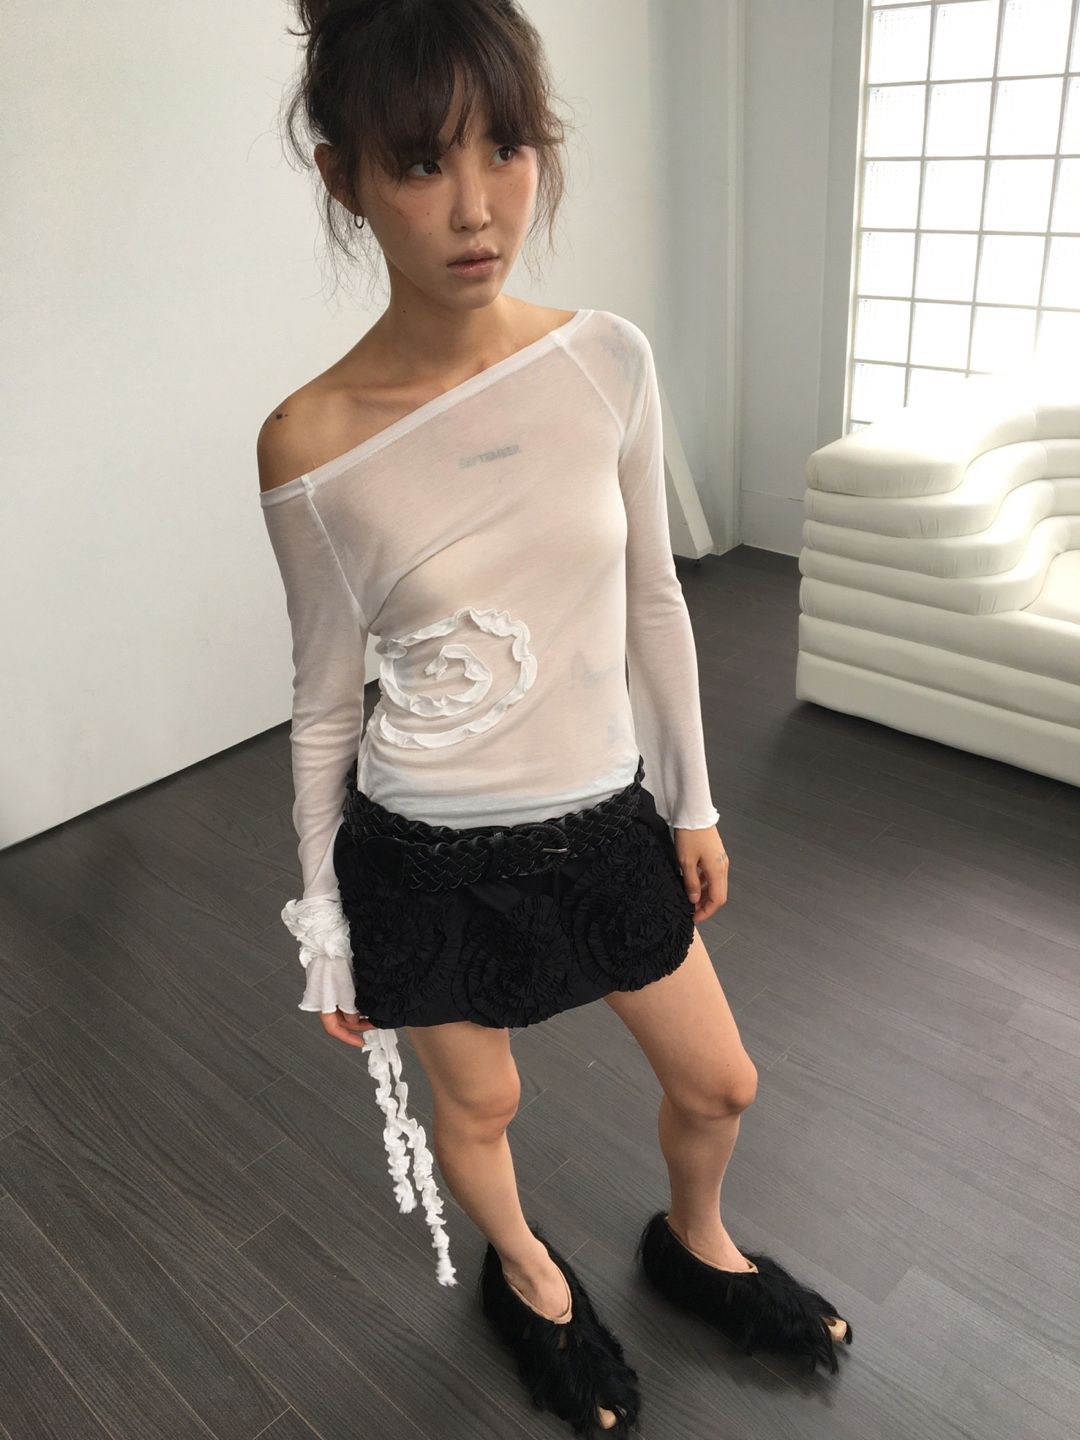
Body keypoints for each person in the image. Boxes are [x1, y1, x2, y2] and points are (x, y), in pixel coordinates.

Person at [256, 2, 853, 1434]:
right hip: (425, 854)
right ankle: (527, 1276)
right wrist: (328, 919)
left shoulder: (606, 361)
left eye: (507, 148)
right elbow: (325, 703)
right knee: (482, 1111)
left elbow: (653, 596)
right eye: (421, 162)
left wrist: (691, 802)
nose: (478, 207)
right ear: (344, 177)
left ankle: (696, 1244)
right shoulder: (311, 443)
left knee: (721, 1083)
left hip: (602, 822)